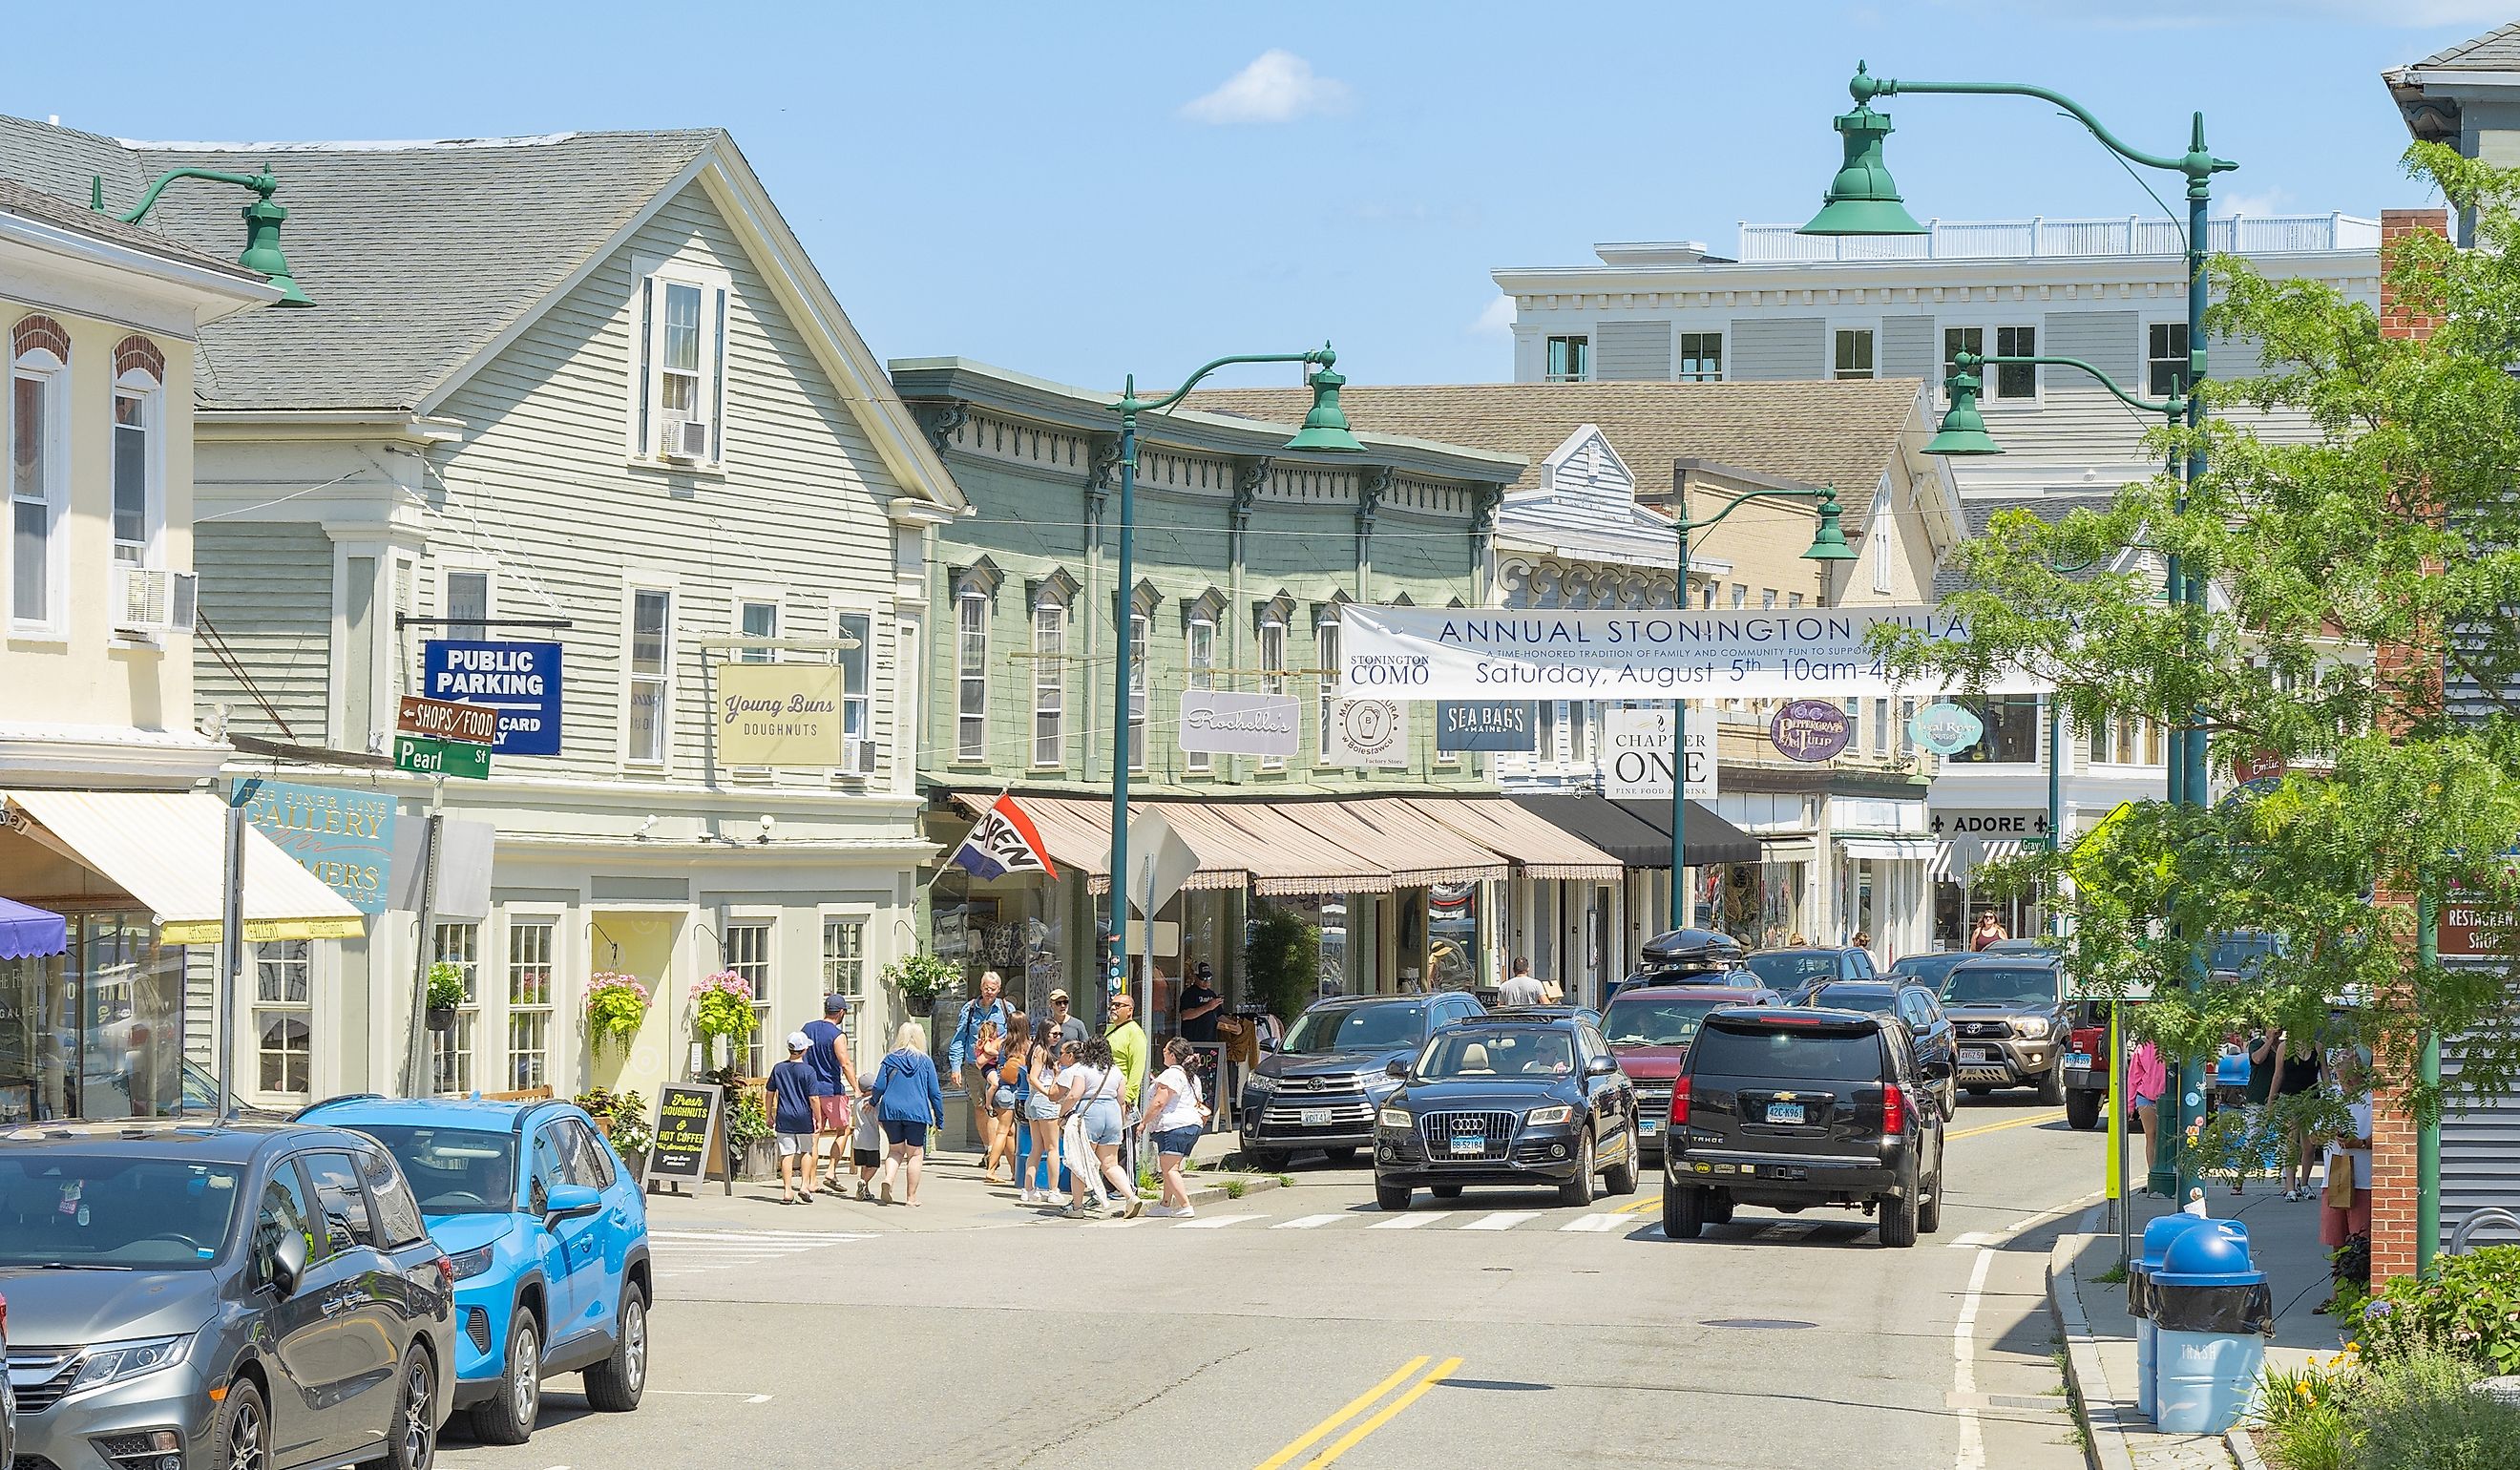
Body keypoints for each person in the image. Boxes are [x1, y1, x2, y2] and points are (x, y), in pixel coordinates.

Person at [1059, 1035, 1138, 1219]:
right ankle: (1131, 1197)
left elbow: (1074, 1095)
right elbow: (1121, 1100)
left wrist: (1062, 1114)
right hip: (1112, 1114)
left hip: (1091, 1113)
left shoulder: (1083, 1069)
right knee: (1110, 1163)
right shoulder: (1116, 1071)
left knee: (1081, 1162)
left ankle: (1077, 1208)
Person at [2317, 1056, 2374, 1308]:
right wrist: (2329, 1132)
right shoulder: (2331, 1097)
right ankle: (2338, 1294)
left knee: (2360, 1239)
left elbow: (2383, 1137)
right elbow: (2315, 1137)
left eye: (2350, 1076)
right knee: (2336, 1239)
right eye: (2341, 1074)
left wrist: (2359, 1143)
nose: (2346, 1081)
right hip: (2336, 1175)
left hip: (2364, 1179)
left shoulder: (2374, 1097)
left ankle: (2362, 1294)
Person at [868, 1021, 945, 1207]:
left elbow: (878, 1086)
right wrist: (939, 1119)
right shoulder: (925, 1061)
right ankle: (911, 1197)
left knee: (895, 1150)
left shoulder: (890, 1059)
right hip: (916, 1112)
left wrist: (872, 1102)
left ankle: (889, 1178)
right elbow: (934, 1093)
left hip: (891, 1110)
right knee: (915, 1154)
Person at [1140, 1037, 1210, 1219]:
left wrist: (1144, 1122)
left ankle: (1185, 1205)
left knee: (1170, 1169)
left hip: (1173, 1126)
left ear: (1172, 1055)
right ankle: (1165, 1204)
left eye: (1165, 1050)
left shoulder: (1171, 1074)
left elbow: (1159, 1102)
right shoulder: (1191, 1076)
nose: (1163, 1052)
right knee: (1172, 1168)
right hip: (1191, 1125)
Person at [947, 970, 1016, 1153]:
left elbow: (1016, 1036)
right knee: (979, 1107)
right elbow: (959, 1038)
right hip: (973, 1066)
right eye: (986, 988)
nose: (989, 992)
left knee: (997, 1106)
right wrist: (956, 1067)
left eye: (992, 989)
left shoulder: (1006, 1009)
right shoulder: (969, 1009)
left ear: (999, 989)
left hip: (998, 1066)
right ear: (981, 987)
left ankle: (996, 1149)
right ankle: (989, 1148)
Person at [801, 994, 861, 1195]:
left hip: (810, 1091)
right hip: (832, 1091)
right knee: (843, 1129)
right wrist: (857, 1089)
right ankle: (831, 1171)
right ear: (841, 1012)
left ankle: (811, 1180)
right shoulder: (837, 1035)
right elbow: (845, 1063)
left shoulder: (807, 1028)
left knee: (814, 1136)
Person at [767, 1033, 821, 1206]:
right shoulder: (809, 1071)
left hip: (784, 1115)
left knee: (787, 1153)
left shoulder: (778, 1068)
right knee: (806, 1150)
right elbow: (813, 1098)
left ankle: (787, 1190)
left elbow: (769, 1093)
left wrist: (768, 1114)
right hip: (803, 1115)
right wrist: (818, 1118)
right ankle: (804, 1186)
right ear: (804, 1049)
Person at [1018, 1021, 1064, 1205]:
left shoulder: (1036, 1050)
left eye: (1059, 1034)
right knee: (1053, 1147)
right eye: (1054, 1034)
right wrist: (1048, 1091)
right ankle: (1053, 1190)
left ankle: (1028, 1188)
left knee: (1036, 1147)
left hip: (1033, 1101)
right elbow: (1033, 1077)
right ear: (1045, 1033)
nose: (1057, 1037)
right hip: (1044, 1100)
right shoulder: (1042, 1052)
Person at [2274, 1033, 2323, 1200]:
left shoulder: (2318, 1047)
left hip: (2311, 1099)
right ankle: (2290, 1187)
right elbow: (2278, 1074)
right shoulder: (2284, 1047)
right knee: (2291, 1143)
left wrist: (2331, 1099)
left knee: (2309, 1145)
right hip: (2289, 1098)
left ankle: (2304, 1183)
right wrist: (2271, 1099)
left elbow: (2325, 1075)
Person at [983, 1009, 1029, 1185]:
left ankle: (1014, 1170)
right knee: (1003, 1131)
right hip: (1013, 1091)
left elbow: (983, 1054)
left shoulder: (1001, 1044)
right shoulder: (1026, 1046)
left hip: (999, 1089)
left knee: (1010, 1132)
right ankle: (991, 1170)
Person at [1105, 991, 1149, 1177]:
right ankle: (1109, 1185)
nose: (1113, 1009)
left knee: (1124, 1144)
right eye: (1112, 1005)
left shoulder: (1135, 1034)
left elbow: (1137, 1070)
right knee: (1109, 1144)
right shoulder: (1110, 1029)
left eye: (1118, 1005)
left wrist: (1128, 1100)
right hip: (1105, 1095)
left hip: (1123, 1098)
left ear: (1130, 1010)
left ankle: (1129, 1185)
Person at [2128, 1037, 2167, 1188]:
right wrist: (2130, 1104)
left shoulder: (2174, 1046)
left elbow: (2133, 1077)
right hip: (2147, 1097)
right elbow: (2134, 1077)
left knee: (2162, 1137)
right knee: (2151, 1136)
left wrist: (2131, 1104)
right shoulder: (2144, 1047)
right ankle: (2153, 1175)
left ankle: (2164, 1174)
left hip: (2162, 1097)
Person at [1178, 963, 1224, 1045]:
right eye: (1203, 978)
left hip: (1211, 1040)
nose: (1206, 981)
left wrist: (1234, 1024)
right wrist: (1207, 1007)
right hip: (1194, 1040)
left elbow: (1219, 1015)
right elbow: (1185, 1015)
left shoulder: (1212, 994)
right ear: (1195, 977)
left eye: (1209, 978)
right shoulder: (1189, 994)